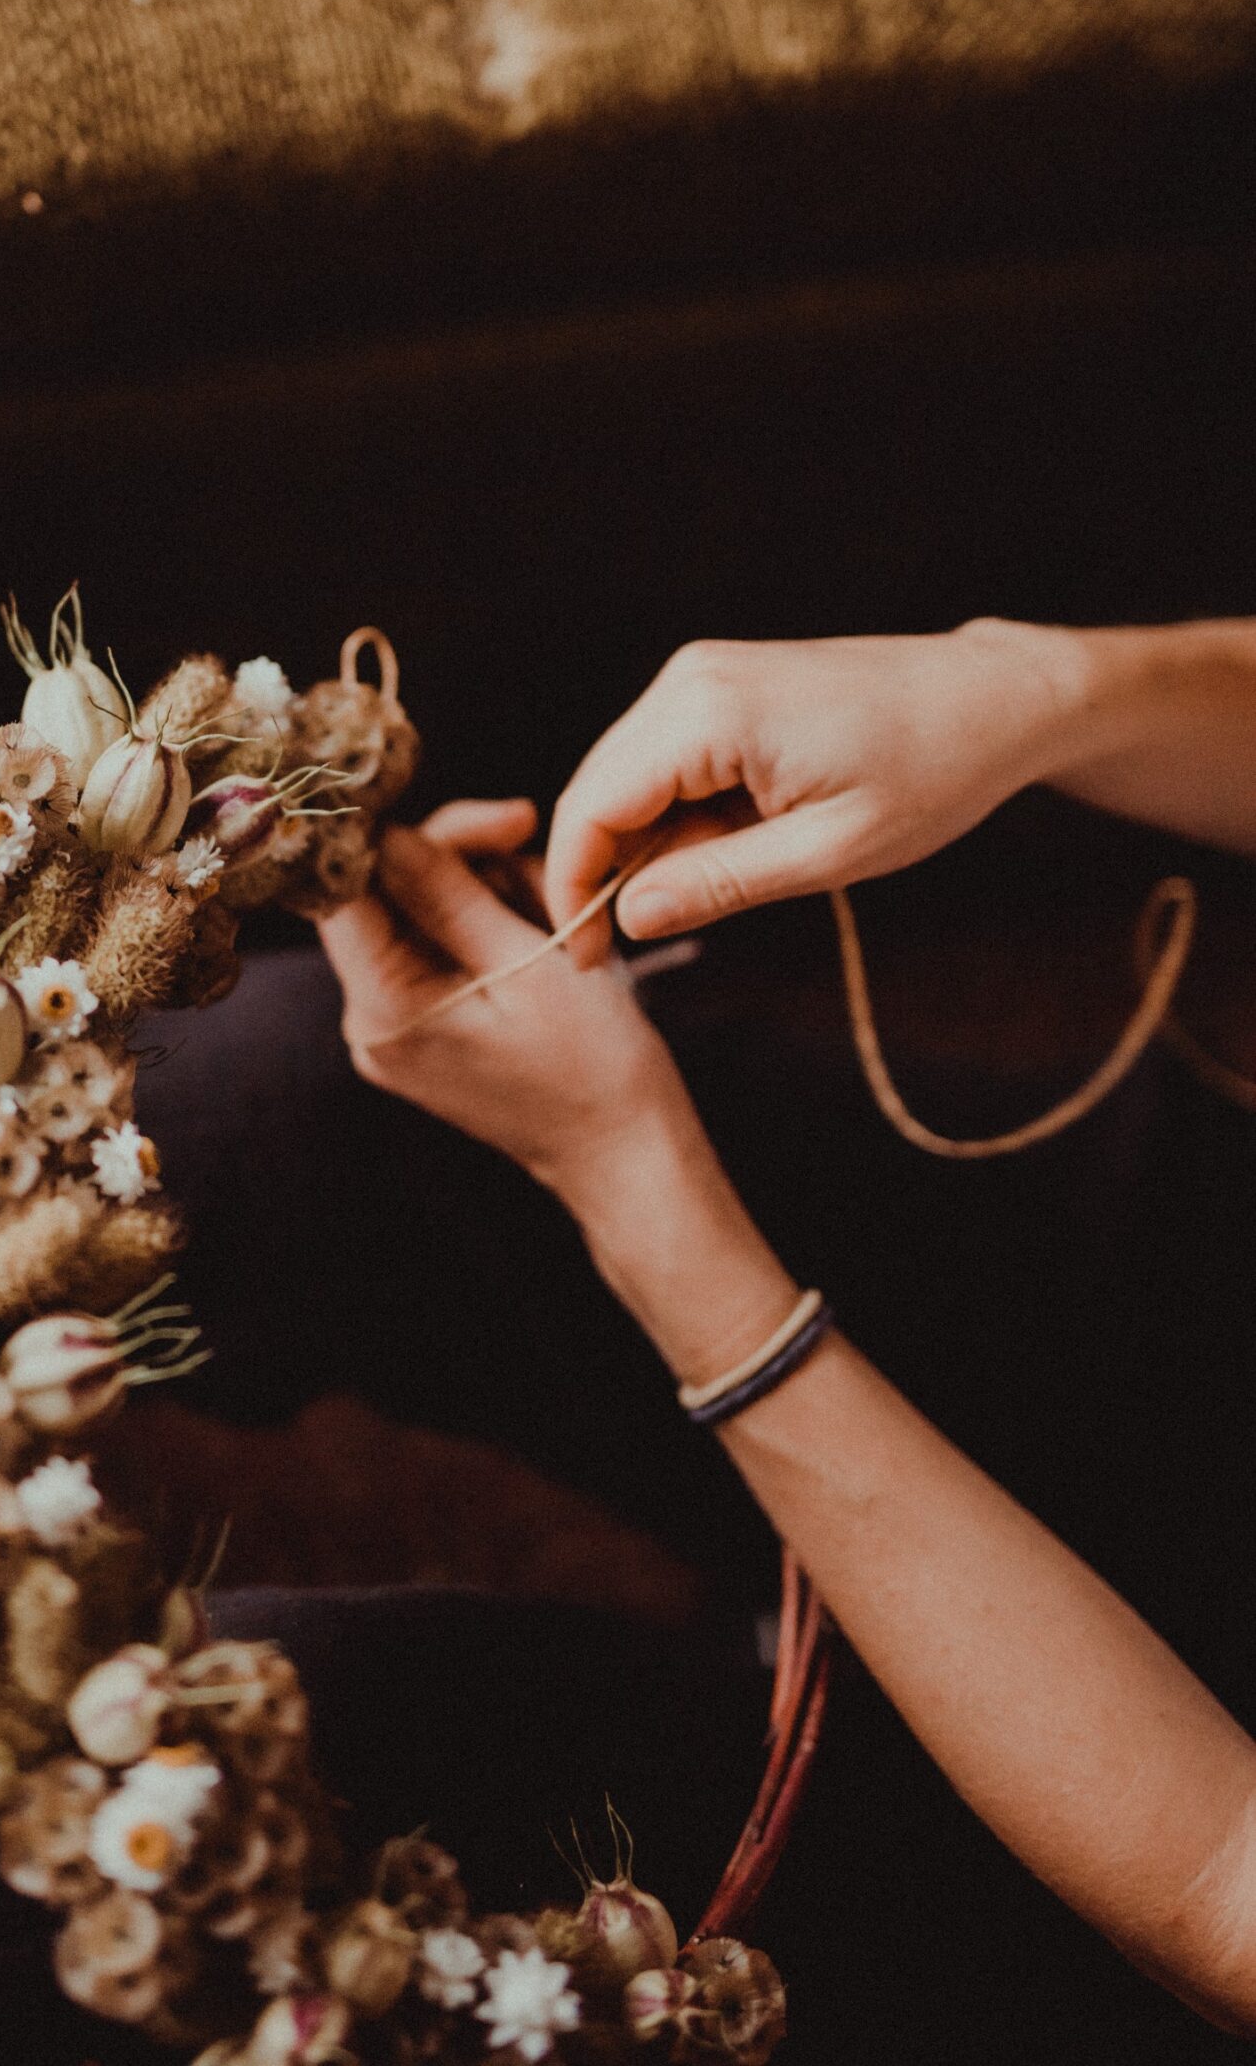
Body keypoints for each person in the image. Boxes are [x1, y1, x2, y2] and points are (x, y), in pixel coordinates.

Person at [316, 614, 1256, 2038]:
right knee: (307, 1100)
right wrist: (1032, 689)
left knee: (318, 1756)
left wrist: (634, 1189)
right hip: (1176, 1241)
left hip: (1071, 1767)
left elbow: (1221, 1880)